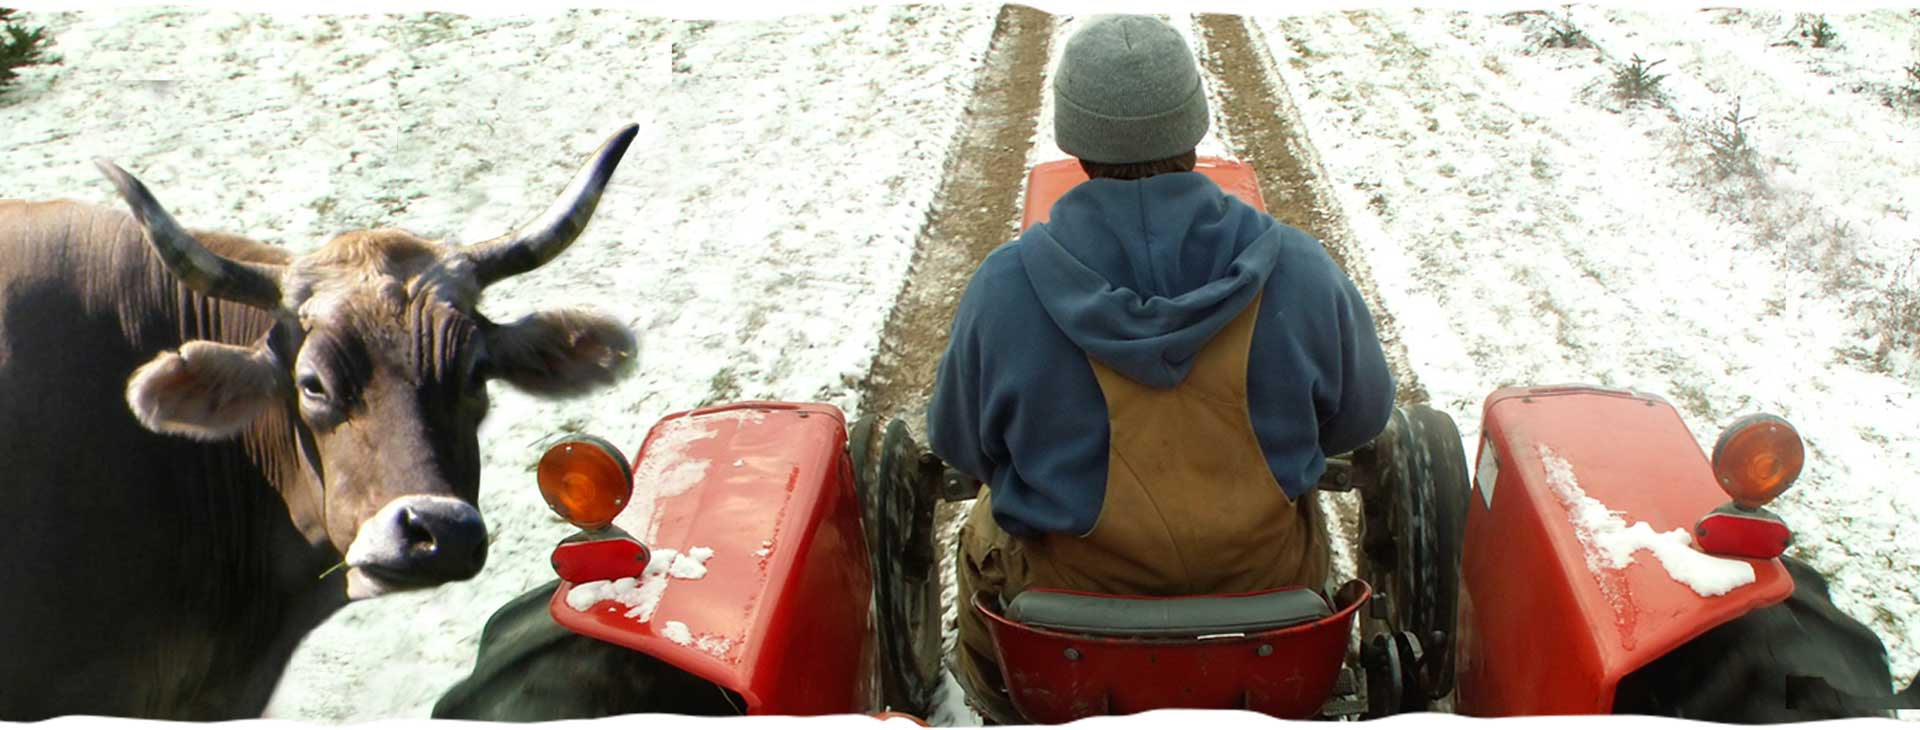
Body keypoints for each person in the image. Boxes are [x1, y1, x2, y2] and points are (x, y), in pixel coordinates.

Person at [925, 14, 1395, 721]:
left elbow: (961, 445)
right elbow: (1360, 418)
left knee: (987, 525)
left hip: (1063, 625)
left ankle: (984, 700)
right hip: (1271, 609)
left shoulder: (1006, 285)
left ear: (1073, 139)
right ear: (1194, 127)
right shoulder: (1298, 267)